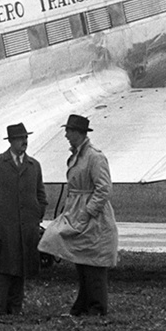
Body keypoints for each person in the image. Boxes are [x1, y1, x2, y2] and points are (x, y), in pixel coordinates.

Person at [0, 122, 48, 317]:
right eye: (20, 138)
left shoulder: (34, 166)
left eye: (26, 138)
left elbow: (41, 195)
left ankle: (14, 308)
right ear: (11, 141)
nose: (24, 142)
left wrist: (36, 214)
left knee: (21, 268)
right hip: (1, 226)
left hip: (26, 228)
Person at [57, 113, 119, 317]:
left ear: (78, 133)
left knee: (94, 261)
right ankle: (82, 306)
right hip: (78, 212)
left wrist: (88, 212)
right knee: (81, 260)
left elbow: (104, 189)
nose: (66, 135)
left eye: (69, 131)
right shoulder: (77, 155)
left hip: (94, 218)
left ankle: (97, 308)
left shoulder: (95, 157)